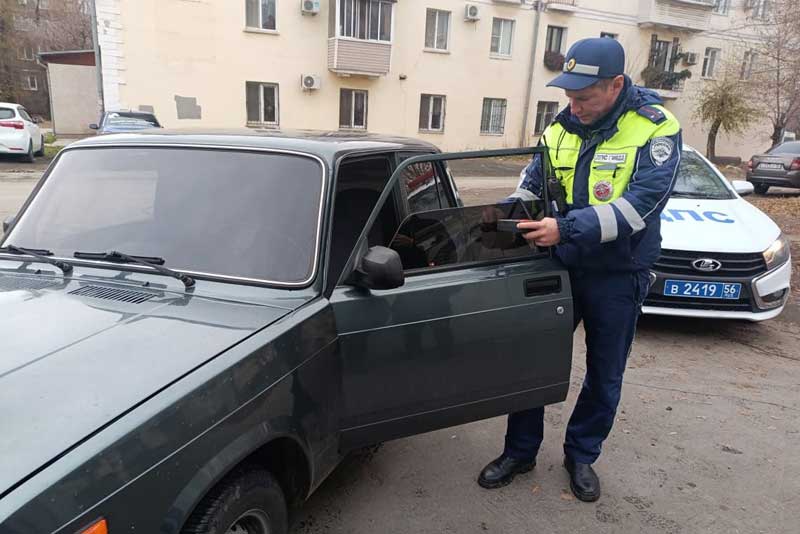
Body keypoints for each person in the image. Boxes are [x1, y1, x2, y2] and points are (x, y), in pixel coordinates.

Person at [477, 37, 682, 502]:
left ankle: (581, 455)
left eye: (584, 97)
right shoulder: (560, 128)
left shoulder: (655, 127)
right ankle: (520, 450)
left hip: (618, 272)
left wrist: (565, 228)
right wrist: (503, 214)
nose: (574, 105)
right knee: (532, 361)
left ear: (615, 85)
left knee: (605, 373)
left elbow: (640, 208)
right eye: (569, 95)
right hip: (561, 267)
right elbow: (533, 185)